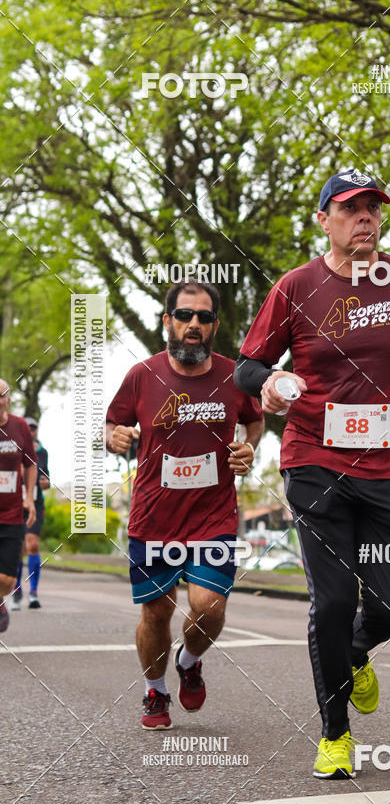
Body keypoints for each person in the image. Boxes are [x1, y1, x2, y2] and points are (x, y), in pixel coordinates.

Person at [234, 168, 390, 778]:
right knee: (330, 603)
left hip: (388, 470)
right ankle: (335, 733)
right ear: (323, 219)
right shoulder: (297, 287)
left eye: (373, 208)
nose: (366, 218)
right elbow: (247, 366)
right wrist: (273, 380)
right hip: (315, 463)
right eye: (351, 208)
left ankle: (356, 654)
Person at [106, 281, 263, 729]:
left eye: (205, 317)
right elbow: (113, 422)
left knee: (209, 605)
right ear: (167, 321)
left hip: (213, 516)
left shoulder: (235, 376)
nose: (194, 324)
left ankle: (190, 660)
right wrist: (114, 436)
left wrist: (249, 447)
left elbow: (255, 419)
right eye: (185, 315)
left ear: (215, 326)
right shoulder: (142, 375)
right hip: (154, 516)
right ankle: (155, 692)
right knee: (156, 611)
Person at [0, 380, 37, 632]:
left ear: (8, 399)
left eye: (1, 396)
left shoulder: (19, 426)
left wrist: (30, 497)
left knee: (7, 579)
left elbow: (30, 463)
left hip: (12, 513)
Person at [11, 417, 50, 611]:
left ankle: (33, 592)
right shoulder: (11, 447)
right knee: (18, 549)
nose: (31, 432)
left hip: (35, 503)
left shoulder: (42, 452)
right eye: (28, 429)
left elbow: (47, 479)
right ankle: (17, 591)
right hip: (15, 504)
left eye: (34, 429)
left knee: (32, 545)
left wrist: (44, 483)